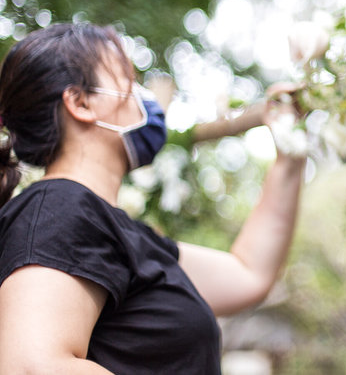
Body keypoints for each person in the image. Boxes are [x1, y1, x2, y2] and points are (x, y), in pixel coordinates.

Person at [0, 23, 306, 374]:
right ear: (81, 103)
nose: (142, 96)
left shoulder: (116, 230)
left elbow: (249, 274)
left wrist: (290, 156)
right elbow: (33, 366)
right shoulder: (58, 208)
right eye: (126, 80)